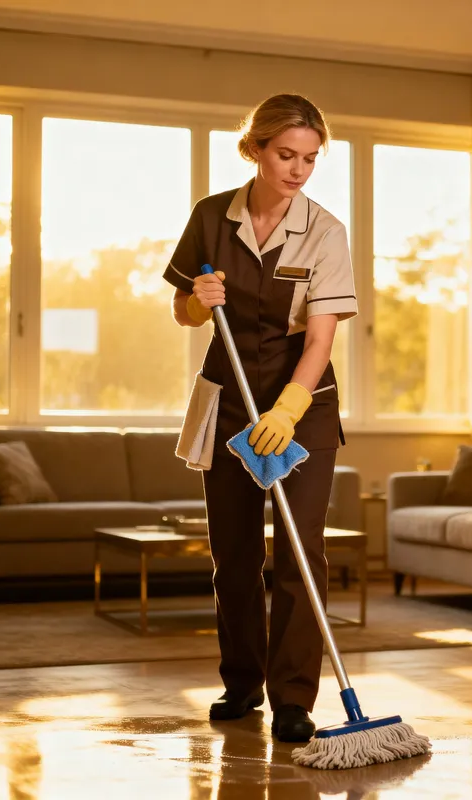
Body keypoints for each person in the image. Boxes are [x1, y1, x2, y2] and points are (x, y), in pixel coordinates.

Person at [163, 93, 357, 742]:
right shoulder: (211, 217)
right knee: (236, 555)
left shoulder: (325, 230)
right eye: (285, 155)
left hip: (301, 407)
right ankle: (241, 683)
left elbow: (321, 340)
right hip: (228, 405)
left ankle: (294, 700)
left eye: (310, 158)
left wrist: (291, 406)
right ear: (254, 150)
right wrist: (196, 299)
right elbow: (186, 316)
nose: (298, 169)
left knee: (301, 555)